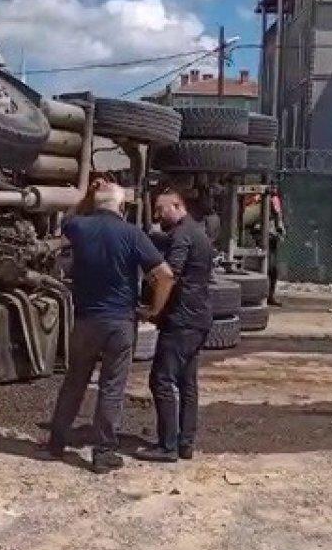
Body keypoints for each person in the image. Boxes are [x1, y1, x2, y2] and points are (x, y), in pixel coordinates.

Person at [48, 180, 174, 474]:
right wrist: (153, 310)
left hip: (85, 321)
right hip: (120, 323)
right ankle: (103, 454)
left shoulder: (80, 227)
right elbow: (165, 275)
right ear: (121, 207)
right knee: (111, 389)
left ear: (96, 202)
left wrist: (87, 196)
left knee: (74, 383)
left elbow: (66, 220)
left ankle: (56, 443)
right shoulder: (133, 234)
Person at [138, 188, 213, 464]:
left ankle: (167, 445)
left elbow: (169, 276)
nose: (158, 217)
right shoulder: (199, 233)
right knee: (187, 382)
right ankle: (185, 442)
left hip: (181, 321)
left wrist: (153, 310)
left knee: (161, 379)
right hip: (200, 317)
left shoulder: (181, 236)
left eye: (161, 210)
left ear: (177, 205)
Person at [267, 185, 286, 306]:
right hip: (269, 236)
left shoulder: (257, 199)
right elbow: (278, 217)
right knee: (271, 269)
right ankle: (269, 296)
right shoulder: (273, 199)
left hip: (262, 235)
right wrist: (281, 230)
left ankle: (269, 295)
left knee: (270, 269)